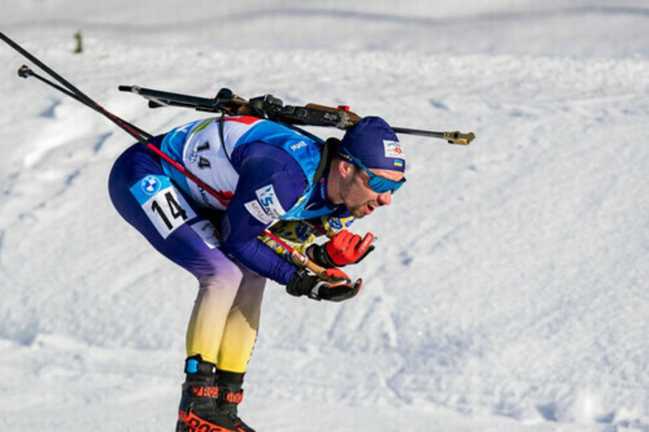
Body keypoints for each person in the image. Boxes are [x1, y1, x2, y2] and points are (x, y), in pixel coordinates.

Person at [107, 114, 407, 432]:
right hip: (145, 173)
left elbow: (278, 240)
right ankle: (196, 406)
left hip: (207, 199)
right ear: (346, 167)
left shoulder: (349, 200)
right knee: (222, 274)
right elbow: (239, 240)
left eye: (396, 187)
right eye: (379, 184)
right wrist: (305, 282)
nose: (386, 198)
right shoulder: (286, 176)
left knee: (251, 273)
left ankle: (224, 405)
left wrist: (324, 257)